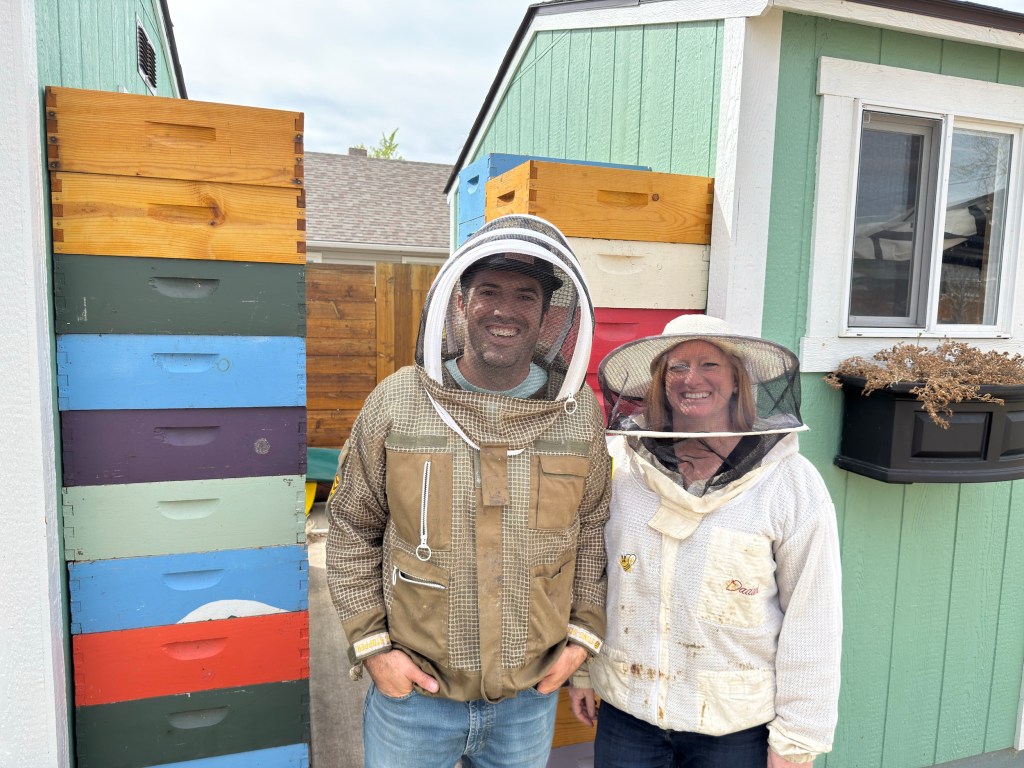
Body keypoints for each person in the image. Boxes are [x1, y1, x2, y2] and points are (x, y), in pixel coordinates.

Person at [325, 214, 611, 768]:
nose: (505, 310)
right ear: (459, 302)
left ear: (551, 315)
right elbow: (352, 526)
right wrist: (373, 647)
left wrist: (582, 640)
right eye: (489, 291)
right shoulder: (397, 401)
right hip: (413, 698)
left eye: (525, 296)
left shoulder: (579, 418)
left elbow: (593, 533)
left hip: (529, 700)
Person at [569, 314, 842, 768]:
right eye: (677, 367)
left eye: (709, 365)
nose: (691, 379)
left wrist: (796, 741)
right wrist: (582, 669)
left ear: (737, 380)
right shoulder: (620, 467)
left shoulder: (790, 483)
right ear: (660, 382)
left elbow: (813, 619)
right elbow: (592, 571)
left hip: (734, 728)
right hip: (628, 712)